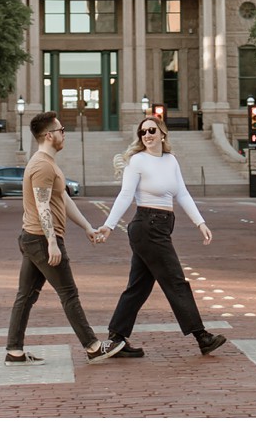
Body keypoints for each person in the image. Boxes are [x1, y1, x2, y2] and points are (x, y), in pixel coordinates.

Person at [96, 116, 229, 357]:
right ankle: (202, 336)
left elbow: (183, 194)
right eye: (142, 132)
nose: (146, 135)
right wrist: (109, 225)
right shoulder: (137, 161)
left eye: (151, 131)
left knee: (138, 286)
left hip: (162, 226)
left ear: (162, 134)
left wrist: (200, 222)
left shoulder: (171, 160)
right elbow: (126, 195)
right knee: (176, 280)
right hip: (147, 226)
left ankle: (117, 338)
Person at [3, 111, 125, 365]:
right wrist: (51, 242)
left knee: (25, 296)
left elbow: (63, 199)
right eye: (61, 130)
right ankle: (92, 346)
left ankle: (14, 350)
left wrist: (87, 227)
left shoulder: (48, 163)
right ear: (49, 135)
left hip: (33, 238)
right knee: (69, 293)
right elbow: (43, 205)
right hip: (40, 239)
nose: (64, 134)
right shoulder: (42, 165)